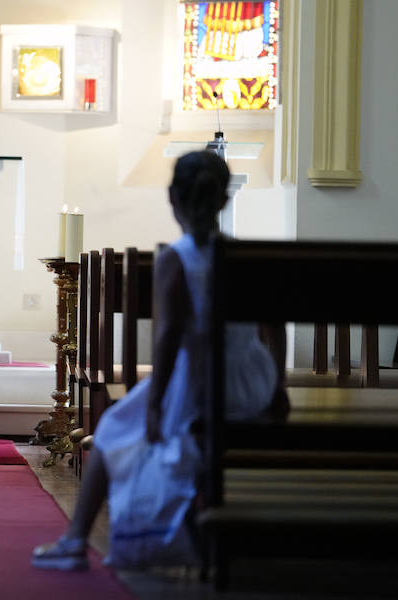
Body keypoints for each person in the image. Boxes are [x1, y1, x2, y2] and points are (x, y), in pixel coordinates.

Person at [31, 150, 287, 571]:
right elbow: (272, 324)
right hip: (251, 383)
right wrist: (274, 386)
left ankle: (76, 540)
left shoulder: (177, 258)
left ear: (173, 198)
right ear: (224, 200)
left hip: (202, 384)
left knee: (113, 426)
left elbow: (168, 339)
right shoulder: (244, 255)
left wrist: (154, 405)